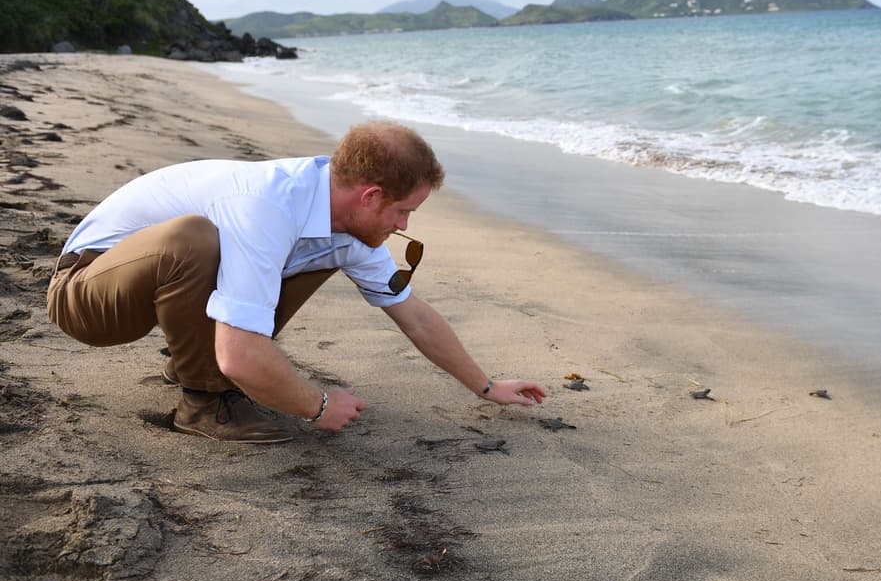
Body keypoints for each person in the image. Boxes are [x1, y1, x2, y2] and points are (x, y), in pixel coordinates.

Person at [46, 121, 546, 444]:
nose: (405, 226)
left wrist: (486, 386)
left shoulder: (346, 225)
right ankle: (203, 403)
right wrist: (318, 407)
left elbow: (413, 314)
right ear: (371, 195)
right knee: (196, 239)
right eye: (403, 211)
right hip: (86, 290)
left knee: (313, 256)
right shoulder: (267, 205)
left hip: (158, 285)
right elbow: (240, 355)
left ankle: (190, 368)